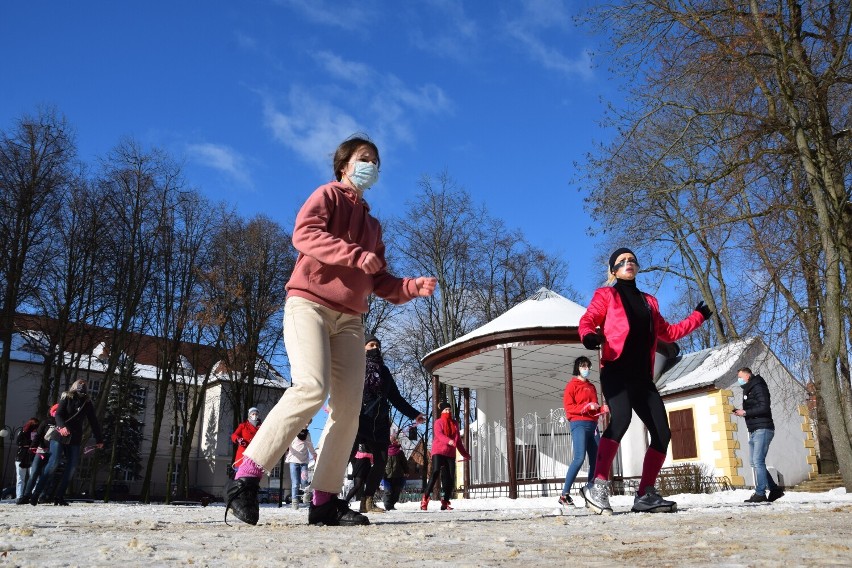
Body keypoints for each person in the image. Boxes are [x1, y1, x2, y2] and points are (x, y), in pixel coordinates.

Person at [224, 135, 437, 527]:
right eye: (363, 158)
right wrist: (355, 255)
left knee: (348, 411)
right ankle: (246, 480)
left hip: (351, 321)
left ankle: (324, 501)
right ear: (344, 166)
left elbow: (379, 279)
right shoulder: (328, 195)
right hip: (309, 304)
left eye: (375, 161)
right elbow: (304, 233)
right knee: (310, 387)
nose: (370, 165)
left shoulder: (373, 225)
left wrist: (410, 287)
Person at [578, 247, 712, 515]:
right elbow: (588, 319)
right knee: (622, 418)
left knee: (662, 432)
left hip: (642, 376)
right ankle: (599, 485)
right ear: (614, 271)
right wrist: (589, 335)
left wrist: (698, 317)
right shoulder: (607, 295)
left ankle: (645, 494)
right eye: (621, 261)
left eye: (632, 260)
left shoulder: (649, 302)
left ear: (637, 267)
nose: (628, 263)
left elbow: (670, 332)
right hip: (616, 369)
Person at [349, 332, 425, 514]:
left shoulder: (384, 372)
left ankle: (366, 501)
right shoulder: (356, 367)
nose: (375, 348)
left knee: (382, 461)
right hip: (361, 420)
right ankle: (330, 495)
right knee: (346, 456)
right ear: (363, 348)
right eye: (371, 345)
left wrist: (414, 414)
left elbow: (396, 398)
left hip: (381, 423)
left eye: (377, 345)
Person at [31, 380, 104, 505]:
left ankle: (59, 497)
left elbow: (93, 422)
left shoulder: (87, 403)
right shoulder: (67, 397)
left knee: (72, 467)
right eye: (80, 384)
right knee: (54, 462)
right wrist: (62, 426)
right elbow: (58, 414)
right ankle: (36, 493)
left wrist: (99, 439)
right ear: (75, 386)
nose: (82, 386)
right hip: (59, 435)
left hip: (74, 438)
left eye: (84, 385)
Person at [559, 356, 607, 506]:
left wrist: (601, 409)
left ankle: (590, 491)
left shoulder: (591, 386)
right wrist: (584, 408)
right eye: (583, 366)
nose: (586, 369)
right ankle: (564, 494)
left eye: (587, 366)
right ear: (577, 368)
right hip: (578, 424)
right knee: (579, 458)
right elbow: (569, 408)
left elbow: (594, 406)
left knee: (596, 459)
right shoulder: (571, 386)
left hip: (592, 425)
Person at [733, 367, 785, 503]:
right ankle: (774, 489)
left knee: (758, 461)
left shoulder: (759, 387)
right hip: (755, 429)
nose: (739, 380)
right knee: (754, 462)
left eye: (740, 377)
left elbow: (764, 407)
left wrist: (745, 412)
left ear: (748, 376)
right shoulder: (749, 389)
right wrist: (742, 411)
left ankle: (760, 493)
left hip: (763, 428)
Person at [421, 402, 470, 511]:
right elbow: (439, 435)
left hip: (450, 453)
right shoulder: (438, 422)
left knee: (450, 477)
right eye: (445, 410)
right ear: (442, 411)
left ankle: (445, 500)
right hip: (438, 450)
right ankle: (425, 497)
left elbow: (458, 442)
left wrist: (465, 454)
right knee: (435, 472)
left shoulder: (455, 423)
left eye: (449, 409)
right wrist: (449, 441)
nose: (448, 412)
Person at [18, 406, 56, 505]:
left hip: (52, 453)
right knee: (34, 473)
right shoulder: (45, 422)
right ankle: (26, 495)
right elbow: (38, 435)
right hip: (40, 451)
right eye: (55, 411)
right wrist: (33, 447)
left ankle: (42, 496)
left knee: (46, 475)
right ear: (51, 412)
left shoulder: (63, 423)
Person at [286, 423, 317, 509]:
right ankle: (295, 502)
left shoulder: (308, 434)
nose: (306, 424)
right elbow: (287, 443)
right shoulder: (294, 432)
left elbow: (310, 445)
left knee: (304, 482)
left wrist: (314, 455)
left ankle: (306, 494)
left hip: (304, 461)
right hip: (293, 461)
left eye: (308, 423)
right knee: (295, 483)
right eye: (305, 422)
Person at [230, 407, 262, 477]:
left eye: (256, 414)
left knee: (253, 477)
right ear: (249, 415)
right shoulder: (243, 426)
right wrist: (239, 440)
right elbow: (234, 435)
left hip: (255, 457)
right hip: (243, 455)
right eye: (253, 414)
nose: (255, 415)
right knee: (240, 479)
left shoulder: (262, 427)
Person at [383, 431, 409, 511]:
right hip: (387, 475)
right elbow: (381, 462)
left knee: (396, 491)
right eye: (394, 440)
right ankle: (387, 505)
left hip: (398, 475)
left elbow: (404, 463)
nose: (396, 441)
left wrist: (406, 471)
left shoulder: (400, 452)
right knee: (388, 491)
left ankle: (392, 505)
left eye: (396, 440)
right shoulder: (385, 451)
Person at [15, 418, 39, 499]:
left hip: (31, 457)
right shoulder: (22, 432)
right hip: (21, 457)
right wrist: (30, 444)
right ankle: (19, 496)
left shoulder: (36, 433)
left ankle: (32, 495)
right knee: (20, 478)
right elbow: (19, 442)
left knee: (33, 477)